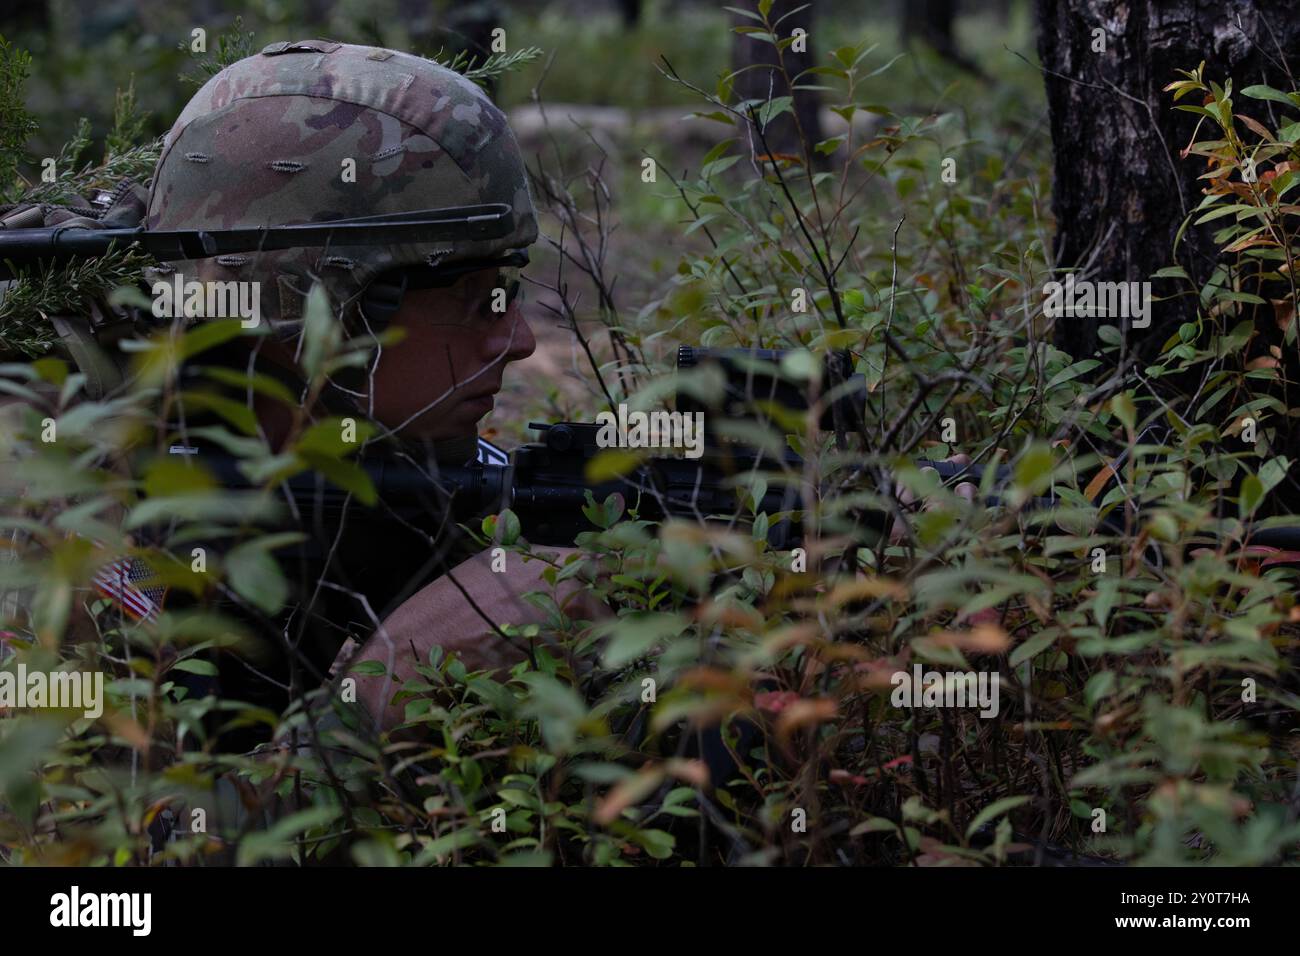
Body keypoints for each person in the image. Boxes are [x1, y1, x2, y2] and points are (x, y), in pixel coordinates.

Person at [139, 39, 606, 745]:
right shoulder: (92, 535)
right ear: (308, 309)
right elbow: (158, 841)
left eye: (506, 292)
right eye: (473, 300)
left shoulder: (398, 481)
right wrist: (377, 701)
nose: (519, 342)